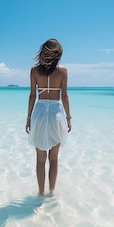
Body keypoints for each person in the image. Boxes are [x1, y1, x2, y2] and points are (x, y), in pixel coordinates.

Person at [26, 38, 72, 196]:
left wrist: (28, 118)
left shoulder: (34, 71)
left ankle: (40, 193)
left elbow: (32, 95)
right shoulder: (63, 71)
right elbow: (64, 96)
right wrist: (68, 118)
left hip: (39, 112)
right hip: (55, 112)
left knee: (40, 159)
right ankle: (51, 193)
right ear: (58, 54)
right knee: (53, 158)